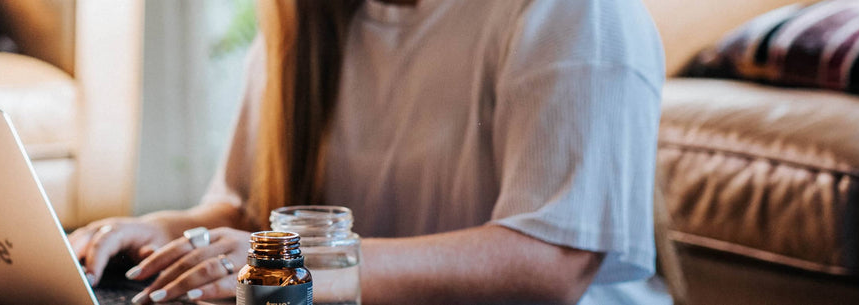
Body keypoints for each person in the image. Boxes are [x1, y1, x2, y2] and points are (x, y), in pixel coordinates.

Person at [69, 0, 669, 303]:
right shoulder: (308, 23)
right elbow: (249, 216)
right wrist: (161, 235)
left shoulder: (577, 14)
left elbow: (553, 262)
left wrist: (301, 263)